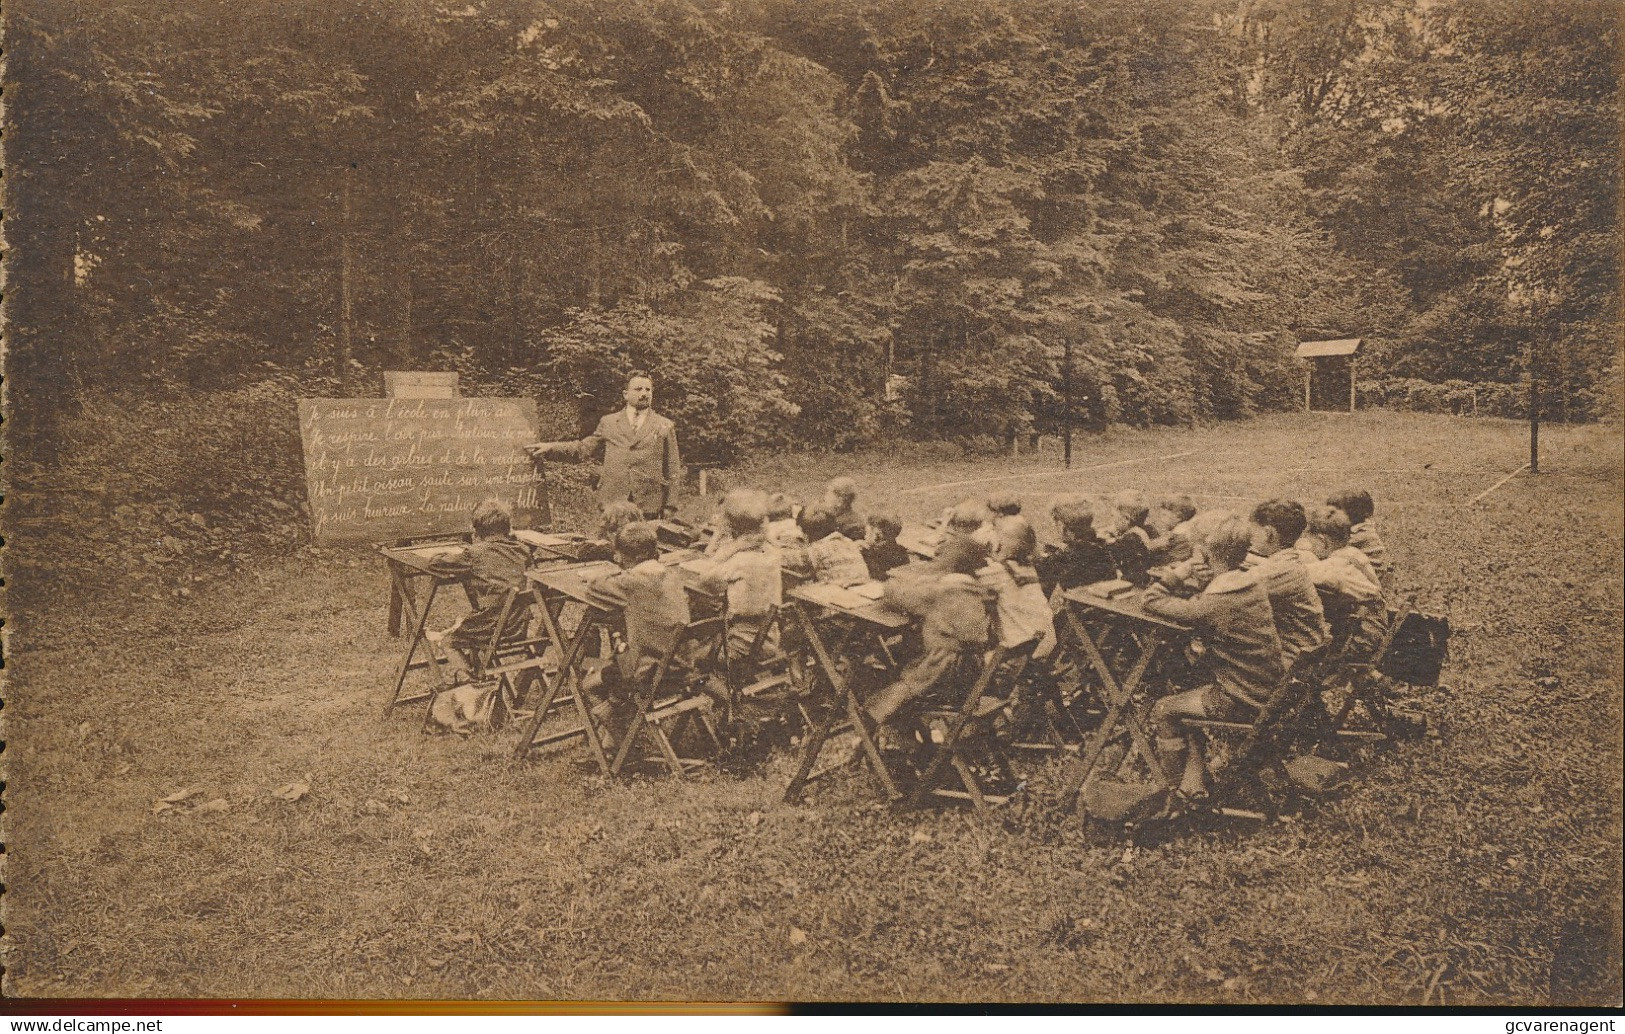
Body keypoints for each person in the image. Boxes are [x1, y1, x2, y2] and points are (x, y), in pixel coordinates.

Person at [1143, 517, 1286, 797]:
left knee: (1164, 709)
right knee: (1185, 683)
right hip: (1265, 689)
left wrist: (1181, 572)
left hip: (1240, 699)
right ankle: (1193, 779)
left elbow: (1151, 599)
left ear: (1206, 553)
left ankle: (1171, 793)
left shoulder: (1215, 602)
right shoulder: (1251, 585)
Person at [865, 535, 995, 729]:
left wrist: (903, 579)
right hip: (971, 670)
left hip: (941, 670)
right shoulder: (975, 587)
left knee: (889, 693)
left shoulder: (945, 588)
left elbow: (898, 594)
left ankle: (874, 726)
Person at [526, 370, 682, 519]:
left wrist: (670, 505)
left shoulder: (664, 425)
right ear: (625, 394)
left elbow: (673, 469)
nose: (644, 394)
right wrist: (549, 448)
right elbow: (582, 449)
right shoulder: (609, 422)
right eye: (638, 389)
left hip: (648, 505)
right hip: (612, 502)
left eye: (648, 390)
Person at [580, 522, 692, 723]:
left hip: (650, 674)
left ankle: (618, 743)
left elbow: (594, 587)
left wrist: (611, 571)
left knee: (589, 685)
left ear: (621, 556)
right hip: (682, 667)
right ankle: (616, 735)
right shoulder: (672, 576)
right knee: (619, 661)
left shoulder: (632, 583)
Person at [425, 499, 532, 667]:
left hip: (491, 627)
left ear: (477, 530)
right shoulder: (522, 550)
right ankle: (479, 672)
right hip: (518, 625)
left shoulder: (474, 554)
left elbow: (435, 563)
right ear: (507, 527)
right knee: (471, 624)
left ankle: (473, 685)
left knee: (448, 642)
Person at [697, 489, 783, 665]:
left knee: (693, 654)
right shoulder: (771, 552)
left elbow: (704, 578)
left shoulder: (740, 560)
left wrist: (728, 545)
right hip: (768, 636)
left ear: (731, 527)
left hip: (742, 643)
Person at [1246, 499, 1331, 671]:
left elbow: (1237, 591)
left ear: (1268, 533)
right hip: (1303, 656)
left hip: (1286, 662)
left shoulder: (1278, 570)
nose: (1250, 539)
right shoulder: (1291, 561)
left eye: (1253, 533)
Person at [1298, 505, 1385, 660]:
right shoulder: (1352, 554)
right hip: (1372, 627)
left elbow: (1295, 574)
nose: (1311, 548)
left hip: (1360, 639)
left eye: (1313, 544)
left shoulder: (1333, 568)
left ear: (1322, 541)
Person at [978, 515, 1055, 656]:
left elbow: (972, 580)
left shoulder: (998, 572)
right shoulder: (1028, 567)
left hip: (1020, 646)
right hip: (1043, 640)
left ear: (999, 544)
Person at [1035, 495, 1117, 592]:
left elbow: (1043, 571)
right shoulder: (1102, 548)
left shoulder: (1069, 556)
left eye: (1055, 522)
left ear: (1061, 525)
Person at [1326, 488, 1393, 591]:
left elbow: (1330, 555)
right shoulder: (1357, 531)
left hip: (1366, 587)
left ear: (1354, 512)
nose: (1329, 516)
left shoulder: (1361, 535)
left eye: (1334, 512)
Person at [801, 507, 871, 585]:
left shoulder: (816, 549)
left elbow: (795, 563)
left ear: (808, 534)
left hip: (841, 591)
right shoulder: (848, 542)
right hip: (864, 587)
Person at [1101, 490, 1154, 586]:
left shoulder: (1130, 539)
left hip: (1133, 584)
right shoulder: (1143, 531)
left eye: (1113, 516)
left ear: (1126, 518)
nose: (1112, 520)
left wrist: (1105, 540)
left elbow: (1109, 550)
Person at [862, 513, 912, 581]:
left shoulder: (870, 554)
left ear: (878, 535)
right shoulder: (902, 551)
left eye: (866, 532)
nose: (864, 536)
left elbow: (874, 575)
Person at [821, 476, 866, 541]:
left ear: (840, 501)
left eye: (829, 494)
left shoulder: (852, 524)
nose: (825, 497)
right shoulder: (832, 517)